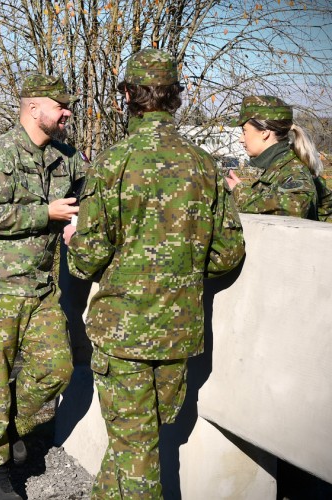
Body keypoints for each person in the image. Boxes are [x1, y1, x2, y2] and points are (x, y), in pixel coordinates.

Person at [63, 48, 246, 498]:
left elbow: (86, 260)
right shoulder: (205, 165)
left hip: (123, 333)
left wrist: (74, 243)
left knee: (134, 446)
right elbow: (227, 255)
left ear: (127, 95)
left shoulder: (113, 163)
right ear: (176, 98)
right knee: (139, 442)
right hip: (179, 332)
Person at [0, 74, 81, 500]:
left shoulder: (65, 158)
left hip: (41, 287)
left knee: (56, 368)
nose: (67, 113)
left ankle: (8, 429)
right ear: (33, 108)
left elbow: (94, 190)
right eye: (60, 106)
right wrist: (46, 213)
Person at [226, 95, 326, 220]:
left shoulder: (294, 171)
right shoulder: (278, 166)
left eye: (244, 131)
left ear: (265, 132)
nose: (241, 139)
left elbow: (296, 208)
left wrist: (239, 192)